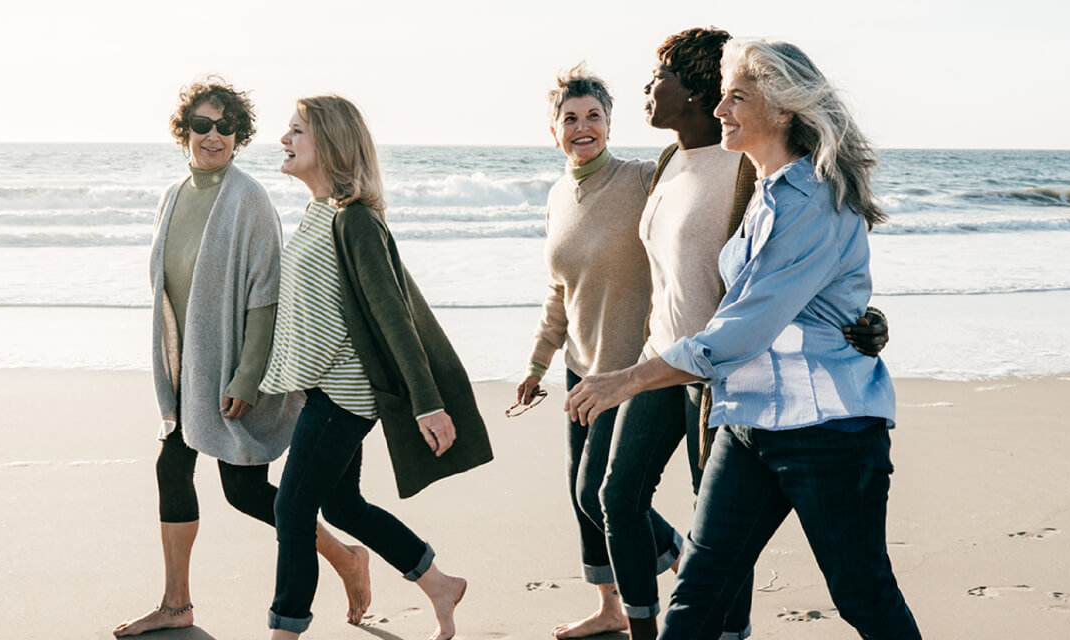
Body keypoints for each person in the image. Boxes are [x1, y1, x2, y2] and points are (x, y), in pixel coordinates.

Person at [567, 39, 923, 640]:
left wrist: (626, 379)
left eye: (736, 97)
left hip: (826, 433)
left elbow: (747, 325)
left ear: (782, 110)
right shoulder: (763, 190)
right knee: (697, 594)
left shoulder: (811, 200)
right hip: (747, 419)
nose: (720, 108)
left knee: (863, 595)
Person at [118, 77, 371, 638]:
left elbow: (266, 298)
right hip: (186, 368)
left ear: (239, 135)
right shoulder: (172, 197)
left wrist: (248, 377)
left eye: (226, 126)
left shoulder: (248, 199)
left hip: (233, 371)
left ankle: (345, 557)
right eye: (202, 124)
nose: (214, 135)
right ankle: (176, 604)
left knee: (245, 491)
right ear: (184, 131)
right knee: (171, 466)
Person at [261, 94, 493, 640]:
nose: (284, 139)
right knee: (342, 506)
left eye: (297, 131)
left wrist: (428, 402)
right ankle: (439, 583)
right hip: (324, 392)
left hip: (345, 396)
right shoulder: (319, 213)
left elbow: (395, 317)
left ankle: (283, 631)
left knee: (292, 510)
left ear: (331, 144)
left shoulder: (357, 220)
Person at [515, 63, 682, 639]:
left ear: (610, 124)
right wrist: (538, 361)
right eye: (570, 119)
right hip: (579, 367)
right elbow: (560, 289)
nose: (582, 127)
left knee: (599, 493)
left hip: (634, 370)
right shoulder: (558, 195)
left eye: (593, 116)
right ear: (554, 131)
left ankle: (679, 557)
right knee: (579, 492)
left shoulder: (642, 179)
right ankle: (610, 607)